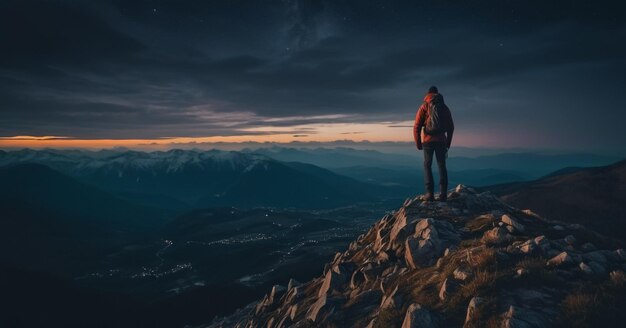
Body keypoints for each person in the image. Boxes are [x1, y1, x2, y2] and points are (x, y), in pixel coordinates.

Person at [413, 86, 455, 201]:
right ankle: (443, 194)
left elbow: (417, 126)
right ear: (437, 94)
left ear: (428, 94)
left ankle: (429, 194)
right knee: (442, 165)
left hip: (428, 141)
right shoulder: (444, 107)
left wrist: (418, 143)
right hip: (441, 141)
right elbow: (451, 127)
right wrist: (448, 143)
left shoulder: (424, 106)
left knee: (427, 165)